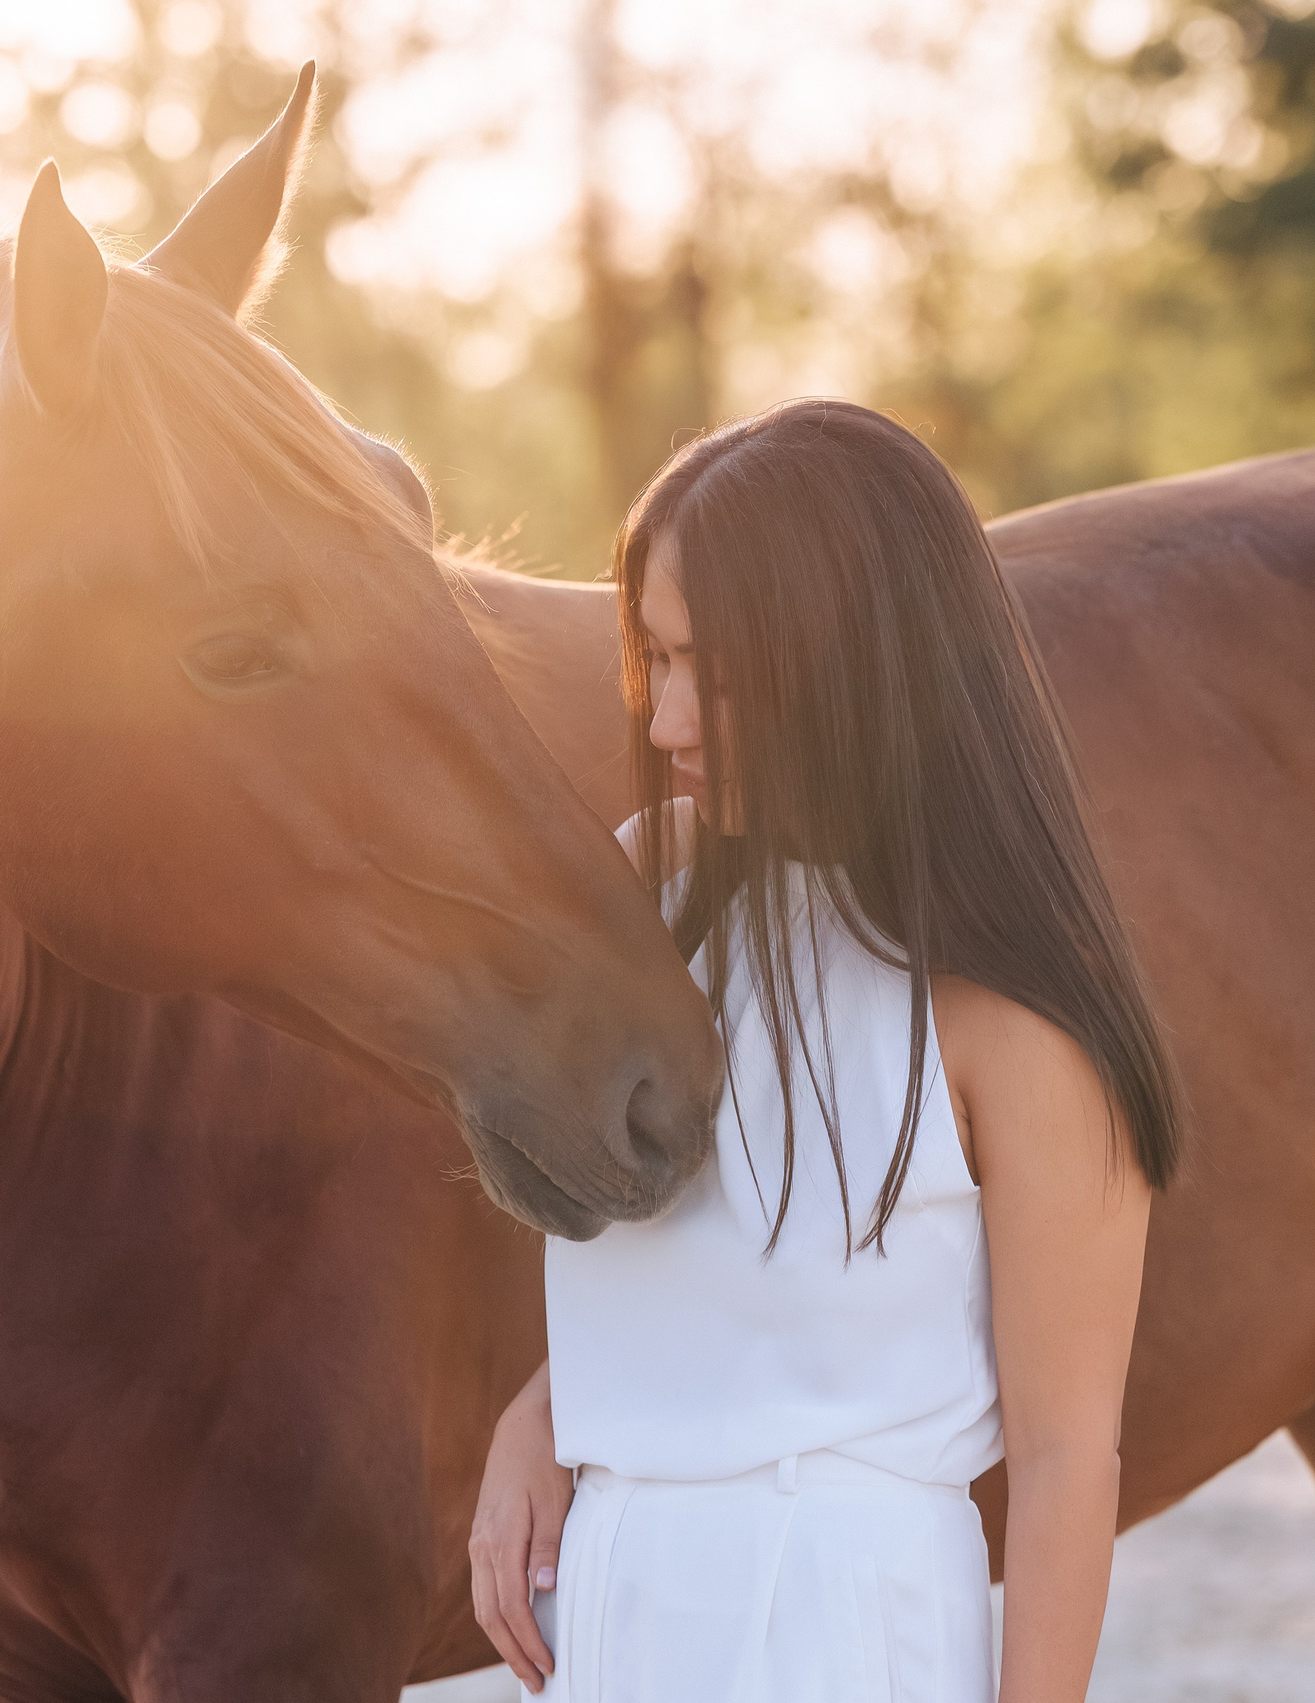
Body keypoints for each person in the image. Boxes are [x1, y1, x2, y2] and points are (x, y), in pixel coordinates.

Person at [467, 398, 1181, 1703]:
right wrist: (542, 1411)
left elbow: (1070, 1451)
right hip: (618, 1597)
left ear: (862, 665)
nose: (670, 723)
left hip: (847, 1623)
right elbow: (712, 1254)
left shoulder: (1012, 1021)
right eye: (657, 662)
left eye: (718, 678)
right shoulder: (655, 891)